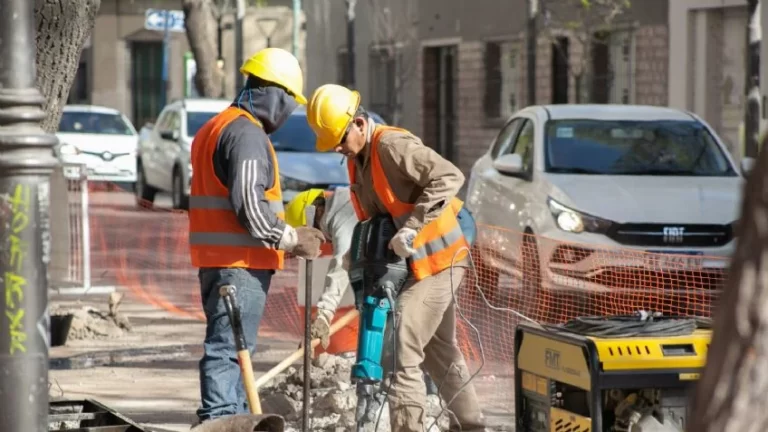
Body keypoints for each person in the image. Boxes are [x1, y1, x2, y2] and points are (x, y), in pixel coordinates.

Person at [305, 84, 486, 431]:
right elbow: (371, 226)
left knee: (403, 344)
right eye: (335, 146)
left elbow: (450, 176)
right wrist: (344, 280)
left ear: (359, 123)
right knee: (439, 350)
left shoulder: (391, 146)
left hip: (439, 261)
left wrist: (412, 227)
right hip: (415, 268)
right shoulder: (357, 162)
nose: (340, 149)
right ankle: (472, 425)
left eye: (342, 139)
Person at [187, 47, 326, 424]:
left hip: (218, 263)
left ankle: (229, 418)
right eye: (289, 102)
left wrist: (284, 241)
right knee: (228, 350)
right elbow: (249, 205)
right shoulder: (246, 134)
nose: (288, 112)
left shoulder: (214, 127)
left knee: (232, 350)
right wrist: (291, 238)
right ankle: (220, 421)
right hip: (239, 267)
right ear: (274, 93)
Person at [284, 187, 441, 395]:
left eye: (313, 232)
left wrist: (324, 315)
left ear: (316, 212)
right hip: (422, 253)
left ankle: (419, 392)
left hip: (433, 252)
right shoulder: (348, 202)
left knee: (411, 331)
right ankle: (423, 388)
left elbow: (340, 265)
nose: (323, 240)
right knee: (419, 332)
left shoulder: (341, 213)